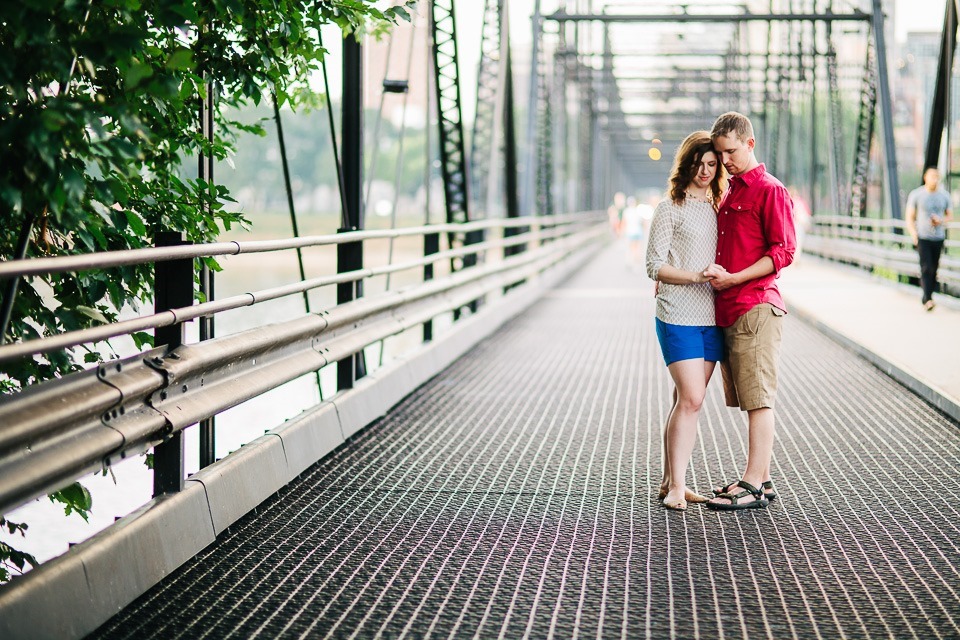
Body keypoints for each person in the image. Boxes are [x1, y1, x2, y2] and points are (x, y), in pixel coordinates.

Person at [703, 112, 796, 511]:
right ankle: (764, 478)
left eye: (731, 151)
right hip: (729, 310)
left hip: (755, 306)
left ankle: (754, 483)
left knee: (759, 400)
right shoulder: (729, 192)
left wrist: (737, 277)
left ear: (750, 144)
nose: (725, 160)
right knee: (748, 399)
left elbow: (783, 252)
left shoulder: (769, 190)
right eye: (720, 153)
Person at [645, 131, 726, 511]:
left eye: (713, 163)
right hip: (678, 312)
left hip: (713, 315)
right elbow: (654, 265)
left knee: (685, 400)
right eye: (700, 162)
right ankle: (678, 486)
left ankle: (669, 480)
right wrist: (697, 276)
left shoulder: (719, 206)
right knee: (692, 398)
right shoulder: (670, 208)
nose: (706, 170)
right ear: (686, 162)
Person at [906, 167, 953, 311]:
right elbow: (910, 216)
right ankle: (928, 299)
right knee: (926, 267)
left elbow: (950, 216)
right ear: (925, 177)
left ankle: (927, 296)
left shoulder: (944, 195)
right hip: (923, 237)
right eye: (932, 176)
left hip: (938, 237)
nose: (935, 179)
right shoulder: (917, 195)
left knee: (934, 268)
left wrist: (941, 221)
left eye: (937, 177)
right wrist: (914, 235)